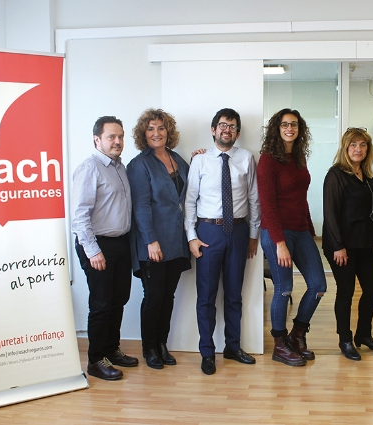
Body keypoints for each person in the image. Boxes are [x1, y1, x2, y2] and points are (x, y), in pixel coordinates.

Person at [185, 108, 261, 375]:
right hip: (208, 234)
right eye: (222, 125)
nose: (226, 130)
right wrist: (192, 237)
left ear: (237, 132)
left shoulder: (247, 159)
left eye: (232, 126)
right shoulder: (200, 161)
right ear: (213, 129)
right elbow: (190, 202)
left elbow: (254, 199)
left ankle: (233, 346)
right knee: (206, 298)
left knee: (234, 295)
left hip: (239, 233)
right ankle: (207, 352)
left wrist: (253, 235)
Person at [258, 108, 327, 367]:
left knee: (319, 286)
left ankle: (297, 335)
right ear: (277, 128)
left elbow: (301, 198)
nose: (290, 128)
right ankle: (279, 345)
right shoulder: (267, 160)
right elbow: (268, 205)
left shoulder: (298, 158)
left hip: (301, 230)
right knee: (284, 289)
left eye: (294, 124)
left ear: (300, 129)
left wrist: (310, 230)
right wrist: (279, 243)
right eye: (285, 124)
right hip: (277, 232)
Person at [72, 116, 138, 381]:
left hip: (120, 243)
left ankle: (111, 349)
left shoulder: (120, 168)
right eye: (112, 136)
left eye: (120, 136)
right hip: (98, 244)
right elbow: (79, 215)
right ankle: (95, 360)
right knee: (101, 304)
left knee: (118, 300)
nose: (118, 141)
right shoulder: (90, 168)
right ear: (97, 139)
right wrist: (93, 250)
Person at [127, 109, 191, 370]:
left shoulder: (177, 159)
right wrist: (150, 241)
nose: (157, 133)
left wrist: (199, 158)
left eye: (161, 128)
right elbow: (140, 206)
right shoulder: (139, 164)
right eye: (151, 129)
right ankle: (149, 347)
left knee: (169, 295)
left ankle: (162, 343)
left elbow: (190, 189)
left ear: (169, 132)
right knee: (153, 296)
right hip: (152, 243)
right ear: (144, 134)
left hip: (177, 240)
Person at [322, 127, 373, 361]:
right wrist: (338, 245)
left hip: (364, 243)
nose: (358, 149)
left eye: (362, 145)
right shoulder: (336, 175)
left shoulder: (368, 177)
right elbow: (330, 213)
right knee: (346, 290)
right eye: (353, 145)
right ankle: (345, 339)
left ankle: (363, 335)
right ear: (345, 148)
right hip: (342, 244)